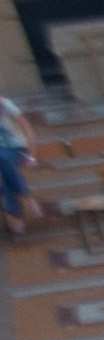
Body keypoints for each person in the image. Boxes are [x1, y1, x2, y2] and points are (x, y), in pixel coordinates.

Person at [0, 93, 37, 243]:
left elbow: (28, 129)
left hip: (16, 149)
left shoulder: (6, 104)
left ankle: (16, 219)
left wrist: (32, 155)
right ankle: (26, 196)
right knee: (4, 172)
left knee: (3, 159)